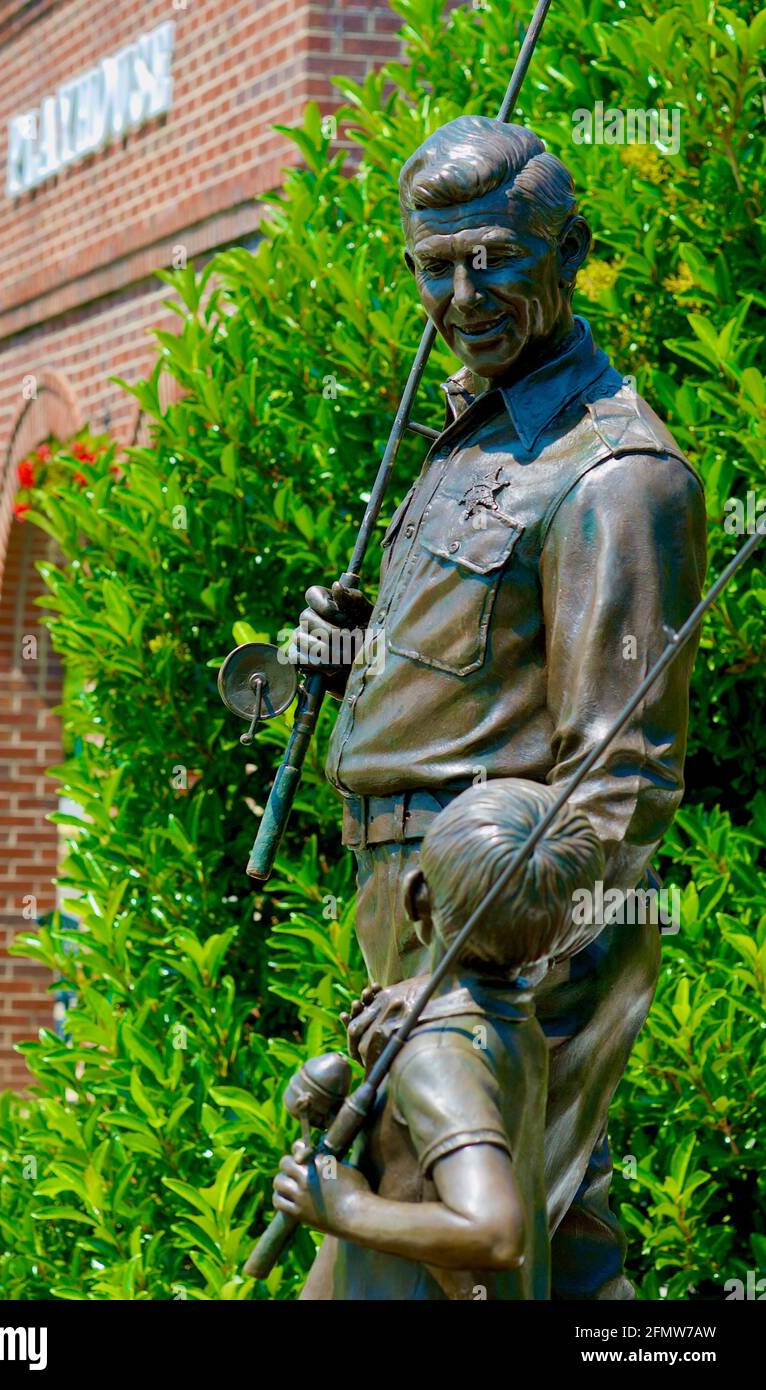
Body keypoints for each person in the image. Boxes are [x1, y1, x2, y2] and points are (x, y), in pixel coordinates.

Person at [287, 115, 707, 1297]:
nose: (460, 293)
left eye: (495, 259)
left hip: (493, 926)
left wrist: (479, 982)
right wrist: (361, 655)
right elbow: (481, 667)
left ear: (568, 250)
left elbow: (616, 791)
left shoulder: (616, 477)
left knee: (438, 1252)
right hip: (417, 910)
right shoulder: (474, 431)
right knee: (559, 1246)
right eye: (434, 264)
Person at [272, 778, 605, 1299]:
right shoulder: (511, 1021)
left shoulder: (440, 1059)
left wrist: (345, 1208)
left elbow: (494, 1234)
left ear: (415, 896)